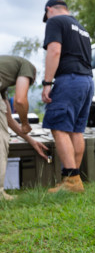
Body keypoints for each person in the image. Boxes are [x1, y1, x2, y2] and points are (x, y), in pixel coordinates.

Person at [41, 0, 94, 193]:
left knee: (58, 126)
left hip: (69, 80)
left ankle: (71, 181)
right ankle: (73, 178)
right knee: (75, 130)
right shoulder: (81, 28)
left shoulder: (55, 21)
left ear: (49, 10)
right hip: (87, 81)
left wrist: (47, 83)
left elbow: (54, 51)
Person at [0, 55, 49, 200]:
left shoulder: (3, 82)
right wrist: (25, 123)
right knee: (1, 141)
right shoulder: (26, 66)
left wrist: (31, 140)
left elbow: (8, 118)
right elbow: (20, 100)